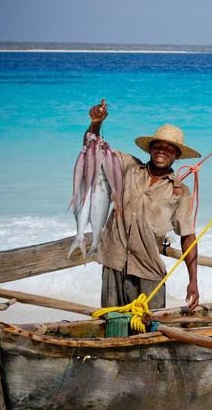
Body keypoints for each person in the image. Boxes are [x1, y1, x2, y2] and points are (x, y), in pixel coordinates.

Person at [85, 99, 201, 311]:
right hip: (114, 260)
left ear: (176, 156)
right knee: (112, 325)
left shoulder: (180, 191)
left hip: (148, 270)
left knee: (148, 330)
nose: (162, 151)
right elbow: (93, 149)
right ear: (150, 149)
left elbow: (188, 236)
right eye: (158, 146)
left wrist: (193, 281)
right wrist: (96, 123)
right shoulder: (128, 167)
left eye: (169, 148)